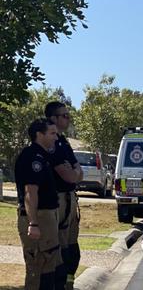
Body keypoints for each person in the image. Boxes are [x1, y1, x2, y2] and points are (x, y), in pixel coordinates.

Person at [15, 118, 62, 289]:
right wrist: (33, 223)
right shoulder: (32, 157)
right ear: (39, 135)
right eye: (52, 133)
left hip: (47, 217)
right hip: (38, 218)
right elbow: (30, 192)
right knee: (37, 266)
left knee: (49, 265)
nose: (56, 138)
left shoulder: (44, 156)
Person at [45, 101, 83, 290]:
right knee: (59, 252)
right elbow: (68, 174)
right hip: (57, 201)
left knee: (72, 252)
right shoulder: (51, 143)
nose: (68, 118)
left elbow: (78, 171)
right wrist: (73, 172)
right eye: (64, 115)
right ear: (53, 118)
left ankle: (68, 285)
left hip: (70, 198)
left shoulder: (64, 142)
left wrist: (74, 172)